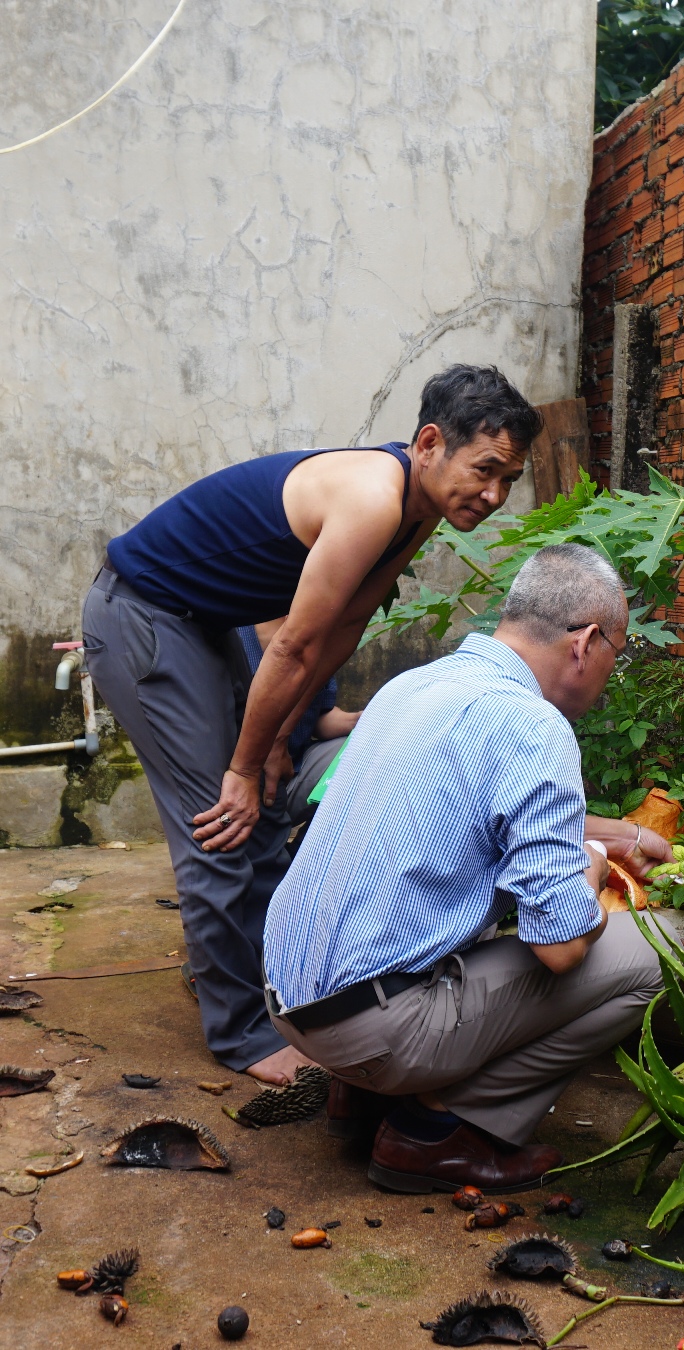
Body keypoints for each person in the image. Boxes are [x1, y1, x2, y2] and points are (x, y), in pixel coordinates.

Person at [81, 366, 541, 1084]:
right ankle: (241, 1034)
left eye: (509, 479)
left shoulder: (416, 510)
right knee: (220, 823)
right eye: (485, 471)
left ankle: (273, 992)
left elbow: (344, 628)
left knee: (263, 808)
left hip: (204, 623)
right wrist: (241, 766)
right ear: (429, 443)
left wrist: (278, 741)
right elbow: (292, 643)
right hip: (143, 615)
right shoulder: (370, 498)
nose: (494, 495)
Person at [261, 544, 672, 1193]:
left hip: (290, 999)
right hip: (374, 1031)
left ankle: (358, 1099)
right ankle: (438, 1133)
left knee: (440, 895)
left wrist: (613, 832)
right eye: (615, 656)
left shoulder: (416, 686)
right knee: (650, 953)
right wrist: (591, 861)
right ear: (586, 642)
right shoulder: (535, 728)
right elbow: (561, 946)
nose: (606, 673)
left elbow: (466, 812)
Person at [237, 619, 361, 831]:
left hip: (294, 772)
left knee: (361, 749)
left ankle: (313, 846)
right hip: (242, 777)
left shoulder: (315, 635)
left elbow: (320, 717)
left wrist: (361, 720)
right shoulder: (235, 633)